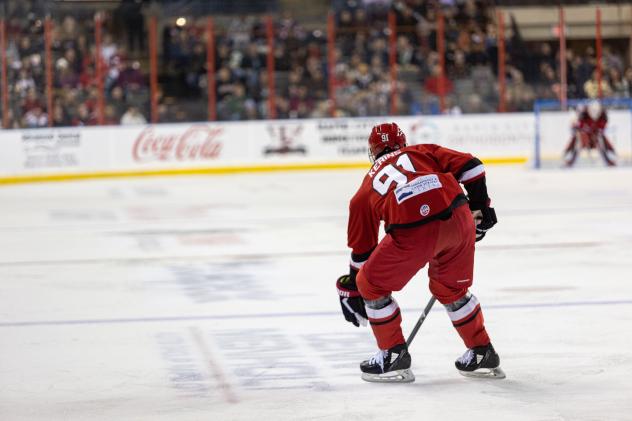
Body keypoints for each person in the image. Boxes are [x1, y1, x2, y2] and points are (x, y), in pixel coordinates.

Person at [336, 122, 504, 383]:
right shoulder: (422, 151)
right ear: (402, 143)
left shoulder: (365, 189)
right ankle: (482, 352)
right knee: (451, 289)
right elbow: (473, 166)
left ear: (373, 151)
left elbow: (363, 252)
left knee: (371, 285)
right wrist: (481, 208)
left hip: (413, 231)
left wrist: (357, 287)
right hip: (459, 218)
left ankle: (393, 355)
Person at [563, 100, 616, 167]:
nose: (594, 114)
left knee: (601, 139)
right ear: (589, 110)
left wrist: (596, 133)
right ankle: (569, 160)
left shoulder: (603, 116)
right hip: (585, 136)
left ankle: (610, 159)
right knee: (578, 140)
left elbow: (602, 129)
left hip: (596, 136)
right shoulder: (583, 115)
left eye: (597, 112)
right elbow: (577, 127)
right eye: (592, 111)